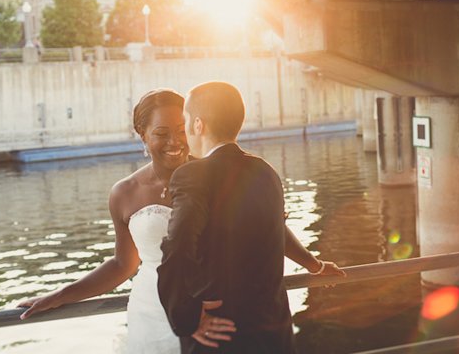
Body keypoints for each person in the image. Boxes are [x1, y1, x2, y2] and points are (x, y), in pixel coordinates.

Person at [18, 88, 343, 353]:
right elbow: (123, 264)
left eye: (180, 129)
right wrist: (60, 295)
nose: (175, 141)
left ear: (193, 125)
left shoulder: (218, 173)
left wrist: (313, 265)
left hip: (214, 315)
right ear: (142, 136)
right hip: (151, 314)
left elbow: (269, 227)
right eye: (161, 133)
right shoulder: (124, 193)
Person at [158, 81, 308, 353]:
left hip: (221, 336)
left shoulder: (192, 174)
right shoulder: (266, 172)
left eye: (186, 121)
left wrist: (186, 318)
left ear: (198, 125)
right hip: (274, 332)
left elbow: (178, 247)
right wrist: (314, 264)